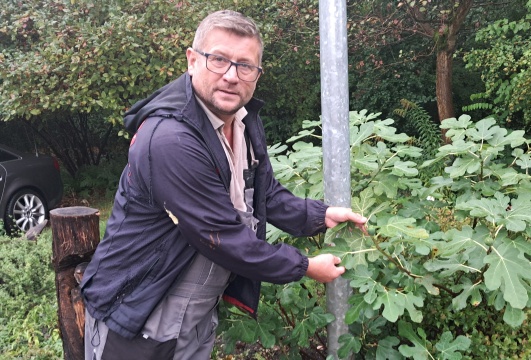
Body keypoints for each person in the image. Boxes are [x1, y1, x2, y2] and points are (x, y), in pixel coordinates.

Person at [80, 9, 367, 360]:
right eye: (218, 59)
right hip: (138, 311)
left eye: (245, 65)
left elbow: (265, 194)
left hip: (196, 313)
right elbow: (222, 238)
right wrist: (304, 266)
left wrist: (321, 215)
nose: (231, 76)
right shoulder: (170, 140)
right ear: (191, 60)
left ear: (257, 75)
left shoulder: (242, 121)